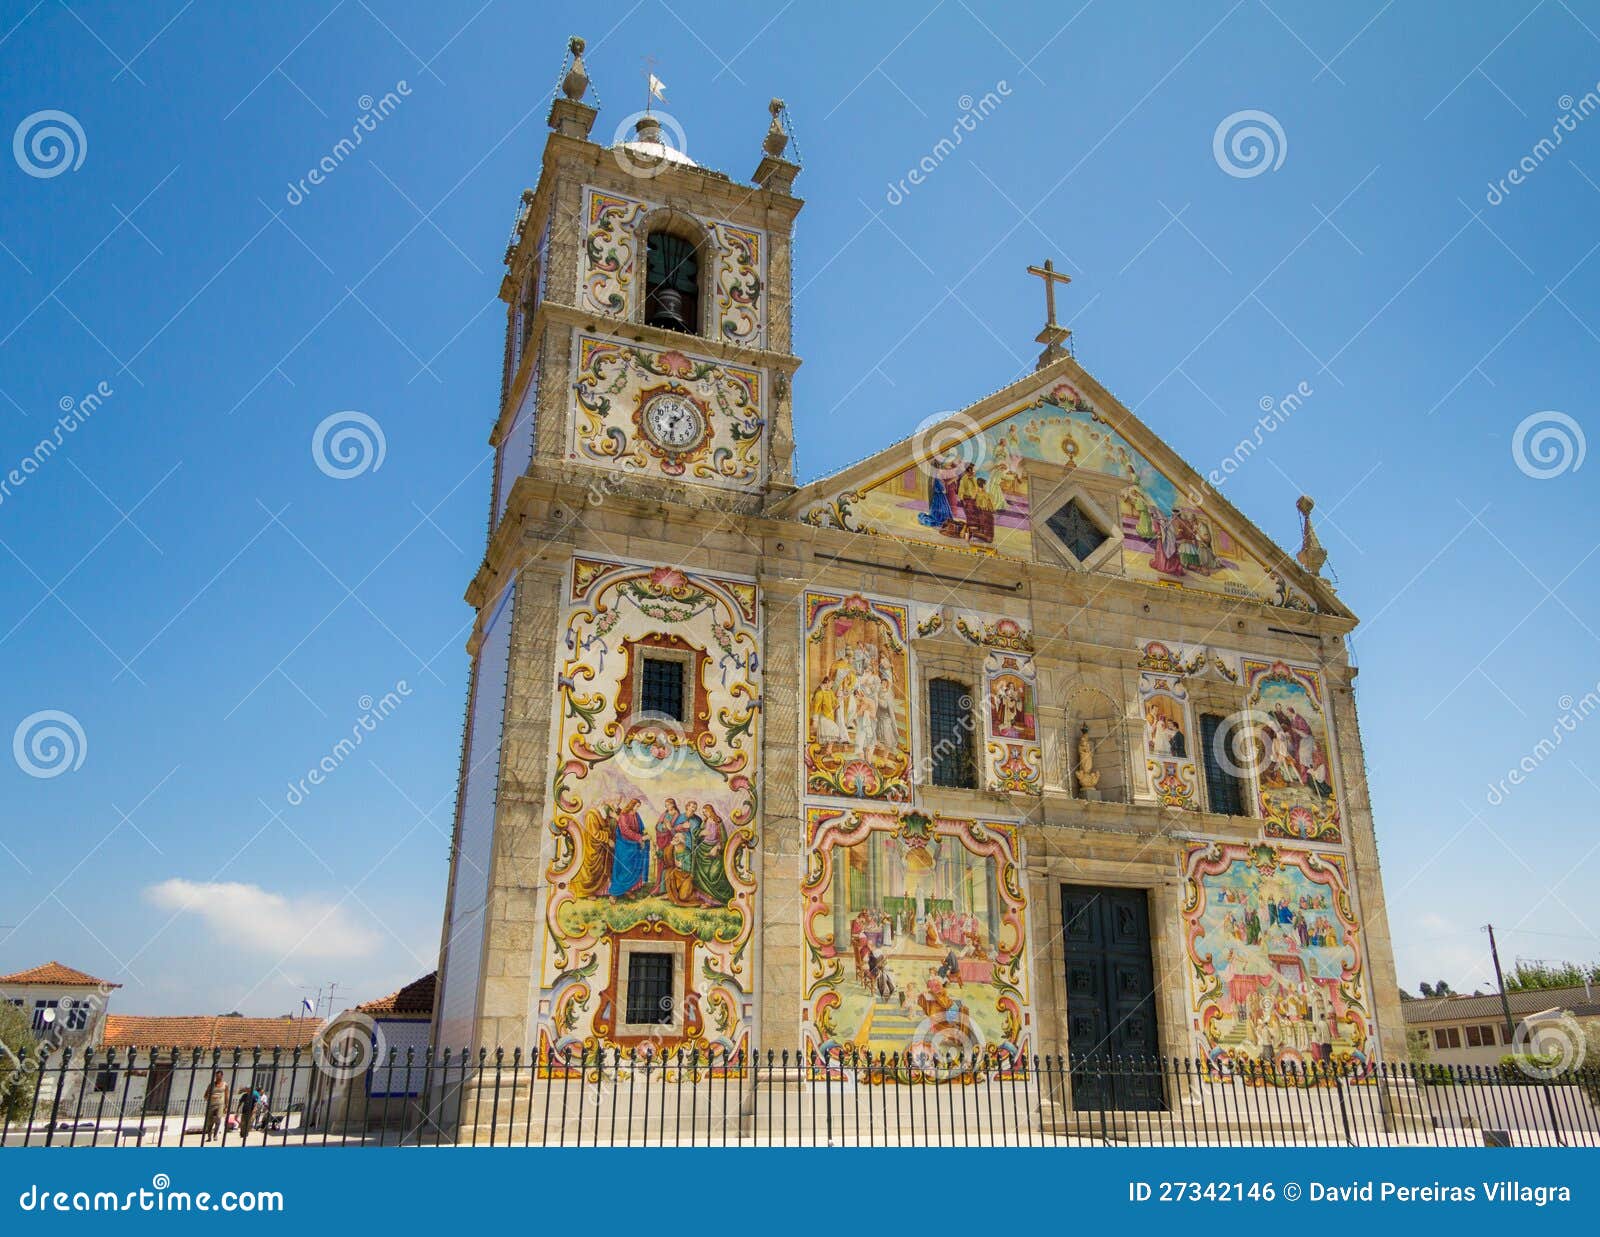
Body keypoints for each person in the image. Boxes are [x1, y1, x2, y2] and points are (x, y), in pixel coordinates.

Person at [606, 797, 649, 897]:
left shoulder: (636, 815)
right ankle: (614, 893)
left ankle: (627, 889)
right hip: (624, 846)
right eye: (637, 806)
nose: (637, 808)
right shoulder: (623, 816)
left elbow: (641, 828)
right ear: (632, 805)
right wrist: (640, 838)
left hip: (634, 846)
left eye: (639, 807)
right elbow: (625, 831)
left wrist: (643, 836)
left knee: (631, 869)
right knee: (623, 869)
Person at [202, 1070, 229, 1143]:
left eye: (219, 1076)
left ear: (222, 1076)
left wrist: (226, 1106)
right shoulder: (211, 1085)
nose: (217, 1078)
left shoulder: (225, 1085)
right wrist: (210, 1097)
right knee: (209, 1121)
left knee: (218, 1119)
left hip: (220, 1104)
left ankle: (215, 1135)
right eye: (216, 1076)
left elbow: (226, 1096)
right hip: (211, 1105)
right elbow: (205, 1096)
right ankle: (209, 1136)